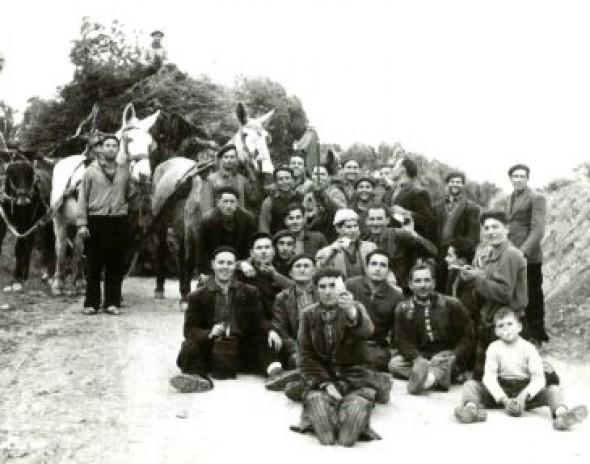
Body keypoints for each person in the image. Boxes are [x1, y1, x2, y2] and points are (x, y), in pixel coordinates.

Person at [291, 268, 386, 447]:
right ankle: (323, 406)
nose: (328, 291)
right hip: (323, 373)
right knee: (317, 393)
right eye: (323, 286)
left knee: (360, 394)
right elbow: (305, 356)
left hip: (354, 374)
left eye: (333, 285)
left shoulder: (355, 308)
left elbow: (367, 330)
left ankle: (350, 409)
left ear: (343, 287)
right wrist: (325, 383)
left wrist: (350, 310)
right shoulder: (308, 314)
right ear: (316, 289)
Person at [170, 247, 283, 393]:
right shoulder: (197, 296)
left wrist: (271, 330)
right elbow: (190, 330)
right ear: (213, 264)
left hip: (240, 348)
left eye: (229, 263)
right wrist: (209, 333)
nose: (225, 267)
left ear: (235, 266)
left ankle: (276, 375)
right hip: (212, 348)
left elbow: (259, 320)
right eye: (221, 262)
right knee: (189, 347)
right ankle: (197, 377)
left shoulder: (249, 291)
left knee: (265, 340)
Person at [454, 307, 587, 430]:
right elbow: (489, 377)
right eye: (501, 326)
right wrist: (504, 400)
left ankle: (562, 415)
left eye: (510, 324)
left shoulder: (529, 348)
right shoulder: (494, 348)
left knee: (554, 390)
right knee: (470, 386)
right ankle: (470, 410)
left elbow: (538, 378)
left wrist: (523, 397)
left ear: (519, 327)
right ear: (496, 331)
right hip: (501, 390)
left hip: (525, 390)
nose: (506, 329)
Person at [458, 210, 528, 380]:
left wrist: (476, 280)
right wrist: (474, 273)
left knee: (499, 380)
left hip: (506, 324)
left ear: (507, 229)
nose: (491, 232)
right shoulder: (492, 253)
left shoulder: (510, 254)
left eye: (496, 227)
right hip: (490, 320)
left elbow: (504, 293)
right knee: (481, 378)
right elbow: (490, 279)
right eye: (487, 228)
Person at [390, 261, 475, 394]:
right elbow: (402, 341)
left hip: (446, 355)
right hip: (421, 356)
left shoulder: (451, 304)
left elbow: (468, 336)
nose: (423, 285)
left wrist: (455, 355)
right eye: (418, 281)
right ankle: (440, 378)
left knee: (443, 361)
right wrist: (418, 358)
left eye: (427, 280)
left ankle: (428, 380)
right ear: (411, 285)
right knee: (394, 365)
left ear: (434, 283)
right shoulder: (403, 308)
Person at [77, 134, 131, 315]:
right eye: (107, 145)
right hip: (96, 221)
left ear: (118, 149)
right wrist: (82, 224)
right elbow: (82, 198)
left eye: (114, 146)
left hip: (118, 222)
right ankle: (91, 303)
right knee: (94, 265)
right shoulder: (91, 171)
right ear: (100, 149)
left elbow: (129, 194)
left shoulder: (124, 171)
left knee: (115, 265)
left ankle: (111, 303)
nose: (110, 148)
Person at [504, 164, 549, 346]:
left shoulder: (536, 198)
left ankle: (537, 334)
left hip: (529, 256)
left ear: (528, 178)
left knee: (533, 295)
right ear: (511, 179)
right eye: (515, 176)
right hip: (511, 254)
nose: (519, 179)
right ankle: (521, 330)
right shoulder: (509, 198)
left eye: (522, 176)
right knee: (516, 294)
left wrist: (523, 252)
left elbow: (538, 229)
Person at [266, 254, 318, 394]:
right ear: (290, 273)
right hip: (298, 348)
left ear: (314, 271)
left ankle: (297, 379)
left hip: (325, 346)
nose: (302, 270)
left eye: (306, 266)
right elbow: (280, 329)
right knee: (297, 359)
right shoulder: (282, 297)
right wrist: (297, 350)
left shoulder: (325, 292)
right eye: (298, 266)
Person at [346, 250, 404, 372]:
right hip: (347, 343)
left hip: (375, 347)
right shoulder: (350, 285)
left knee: (382, 361)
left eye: (383, 265)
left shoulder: (396, 295)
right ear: (366, 267)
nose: (378, 269)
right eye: (374, 264)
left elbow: (398, 329)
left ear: (388, 270)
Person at [363, 203, 437, 290]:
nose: (375, 223)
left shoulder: (399, 235)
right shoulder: (365, 242)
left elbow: (432, 251)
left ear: (387, 220)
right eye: (372, 219)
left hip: (403, 290)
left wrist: (413, 234)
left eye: (379, 219)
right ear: (366, 221)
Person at [433, 171, 480, 293]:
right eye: (452, 182)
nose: (455, 184)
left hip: (459, 256)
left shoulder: (472, 208)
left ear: (463, 185)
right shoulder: (437, 206)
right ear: (447, 184)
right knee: (438, 289)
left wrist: (456, 250)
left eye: (458, 182)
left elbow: (473, 238)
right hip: (439, 256)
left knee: (454, 291)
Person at [196, 186, 257, 277]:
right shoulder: (207, 220)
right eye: (225, 201)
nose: (229, 206)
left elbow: (252, 246)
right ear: (218, 203)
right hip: (215, 264)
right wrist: (204, 272)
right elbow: (201, 250)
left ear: (237, 203)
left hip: (240, 263)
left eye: (232, 202)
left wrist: (246, 263)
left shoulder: (248, 219)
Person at [315, 209, 378, 280]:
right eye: (348, 227)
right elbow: (319, 271)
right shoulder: (326, 252)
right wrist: (332, 253)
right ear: (338, 229)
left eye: (355, 226)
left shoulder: (370, 247)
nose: (353, 230)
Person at [384, 157, 436, 243]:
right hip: (391, 243)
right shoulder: (391, 192)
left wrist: (405, 213)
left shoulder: (419, 192)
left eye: (395, 166)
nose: (392, 169)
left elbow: (428, 221)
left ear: (402, 169)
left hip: (410, 245)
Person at [206, 144, 262, 211]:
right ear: (221, 159)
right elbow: (207, 207)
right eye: (226, 157)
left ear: (236, 159)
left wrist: (250, 170)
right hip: (218, 219)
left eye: (232, 157)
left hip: (238, 219)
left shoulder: (242, 179)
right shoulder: (211, 179)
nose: (229, 160)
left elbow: (254, 198)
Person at [259, 166, 303, 235]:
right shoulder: (268, 202)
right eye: (280, 179)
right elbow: (264, 228)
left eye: (287, 178)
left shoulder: (301, 198)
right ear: (275, 182)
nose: (284, 182)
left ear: (292, 180)